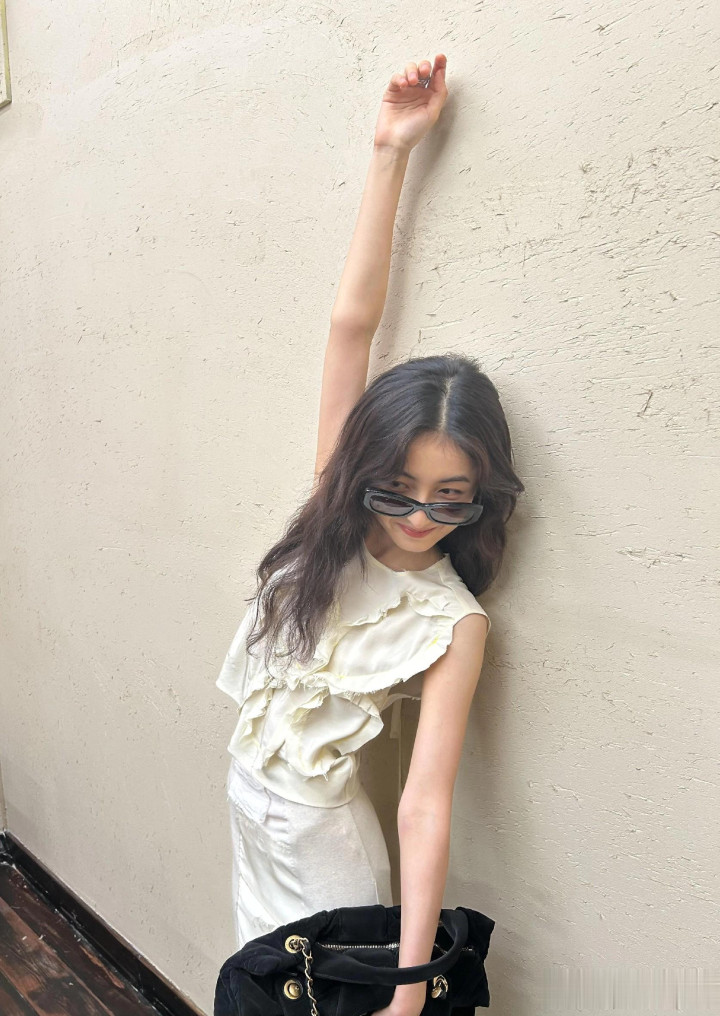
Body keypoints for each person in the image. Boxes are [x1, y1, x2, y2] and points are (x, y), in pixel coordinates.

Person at [216, 53, 524, 1016]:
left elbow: (424, 803)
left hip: (324, 854)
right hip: (247, 816)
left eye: (451, 499)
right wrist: (389, 152)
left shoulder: (453, 621)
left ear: (481, 498)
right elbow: (350, 328)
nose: (421, 517)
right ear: (365, 472)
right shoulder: (334, 523)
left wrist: (409, 987)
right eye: (399, 490)